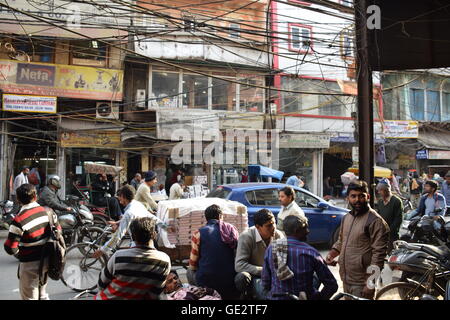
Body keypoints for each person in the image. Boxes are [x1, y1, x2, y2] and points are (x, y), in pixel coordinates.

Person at [325, 180, 389, 300]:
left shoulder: (376, 221)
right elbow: (341, 241)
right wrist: (332, 254)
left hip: (362, 283)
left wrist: (370, 284)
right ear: (347, 198)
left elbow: (379, 256)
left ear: (368, 197)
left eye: (361, 196)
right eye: (353, 196)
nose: (357, 200)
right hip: (346, 279)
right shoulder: (346, 218)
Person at [4, 184, 61, 300]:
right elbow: (58, 230)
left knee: (30, 297)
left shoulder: (19, 220)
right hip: (47, 261)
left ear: (18, 200)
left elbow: (10, 248)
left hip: (29, 264)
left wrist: (20, 253)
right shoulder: (48, 211)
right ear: (35, 196)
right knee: (42, 294)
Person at [262, 215, 338, 300]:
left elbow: (265, 282)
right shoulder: (311, 252)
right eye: (305, 228)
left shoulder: (272, 248)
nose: (308, 231)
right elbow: (332, 285)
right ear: (296, 231)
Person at [95, 217, 171, 300]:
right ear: (155, 235)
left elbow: (101, 285)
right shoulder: (164, 261)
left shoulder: (118, 257)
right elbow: (155, 293)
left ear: (133, 236)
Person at [93, 185, 163, 258]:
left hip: (139, 247)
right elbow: (153, 218)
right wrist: (166, 227)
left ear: (123, 196)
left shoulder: (129, 212)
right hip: (150, 242)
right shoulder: (137, 204)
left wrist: (102, 250)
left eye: (119, 196)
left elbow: (118, 236)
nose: (119, 200)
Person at [188, 204, 239, 299]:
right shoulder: (232, 229)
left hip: (206, 282)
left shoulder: (198, 233)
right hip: (230, 280)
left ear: (206, 218)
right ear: (220, 216)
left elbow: (192, 264)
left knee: (189, 271)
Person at [234, 209, 284, 300]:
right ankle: (247, 295)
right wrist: (263, 271)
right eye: (269, 226)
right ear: (258, 227)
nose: (273, 228)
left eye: (274, 223)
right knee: (241, 277)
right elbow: (239, 265)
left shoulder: (279, 235)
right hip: (255, 275)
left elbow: (283, 261)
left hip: (274, 275)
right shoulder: (246, 237)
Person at [376, 178, 403, 254]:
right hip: (381, 235)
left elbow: (398, 220)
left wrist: (388, 231)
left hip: (392, 235)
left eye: (380, 190)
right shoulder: (380, 202)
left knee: (392, 255)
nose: (379, 192)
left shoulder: (396, 201)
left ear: (387, 190)